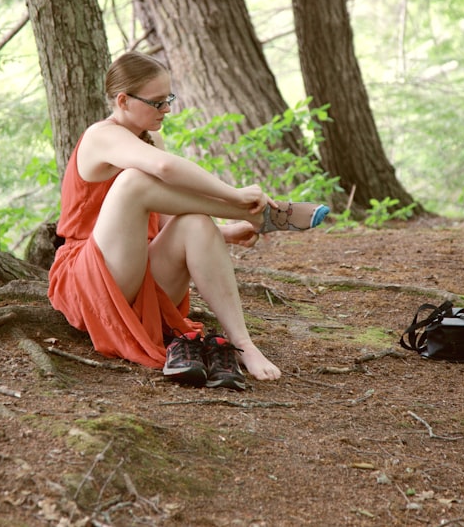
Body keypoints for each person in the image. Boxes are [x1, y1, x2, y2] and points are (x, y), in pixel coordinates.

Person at [47, 51, 329, 390]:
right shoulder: (101, 135)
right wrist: (234, 196)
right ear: (122, 100)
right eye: (157, 102)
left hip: (140, 277)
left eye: (169, 99)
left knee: (195, 221)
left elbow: (167, 217)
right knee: (133, 182)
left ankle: (245, 345)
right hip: (88, 281)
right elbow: (164, 169)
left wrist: (223, 232)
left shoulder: (151, 138)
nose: (167, 109)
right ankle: (254, 212)